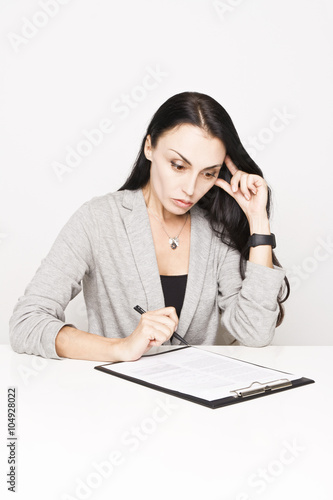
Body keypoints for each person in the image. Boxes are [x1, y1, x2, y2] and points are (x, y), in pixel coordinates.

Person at [9, 91, 290, 362]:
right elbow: (26, 322)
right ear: (149, 147)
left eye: (209, 173)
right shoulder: (98, 220)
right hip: (111, 401)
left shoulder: (217, 231)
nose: (191, 189)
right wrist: (121, 347)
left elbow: (255, 333)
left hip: (199, 405)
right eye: (178, 165)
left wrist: (258, 221)